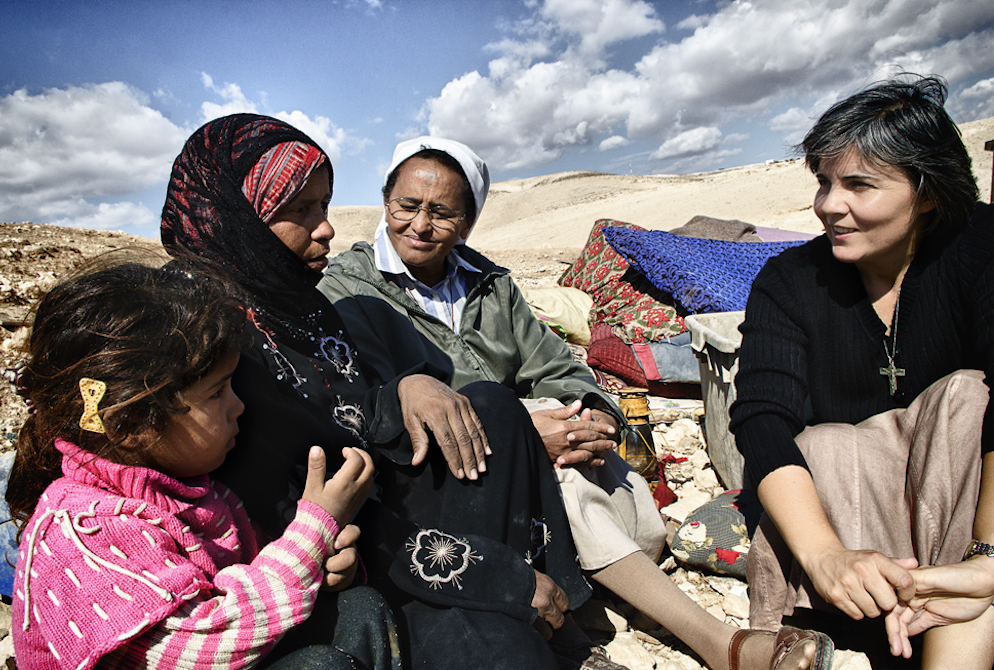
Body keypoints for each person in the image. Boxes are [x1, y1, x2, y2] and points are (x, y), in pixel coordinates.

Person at [318, 136, 833, 670]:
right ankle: (718, 643)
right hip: (443, 474)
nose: (419, 225)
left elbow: (558, 365)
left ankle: (592, 581)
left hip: (540, 438)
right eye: (407, 205)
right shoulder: (350, 291)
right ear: (385, 201)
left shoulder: (488, 283)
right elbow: (372, 409)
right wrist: (520, 433)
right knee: (566, 486)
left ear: (467, 222)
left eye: (441, 213)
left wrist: (591, 416)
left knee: (611, 499)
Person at [160, 114, 591, 669]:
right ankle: (502, 608)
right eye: (300, 212)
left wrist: (407, 388)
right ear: (238, 219)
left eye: (325, 206)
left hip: (373, 495)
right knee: (503, 653)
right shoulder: (206, 339)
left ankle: (553, 611)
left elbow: (348, 408)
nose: (326, 230)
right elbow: (298, 506)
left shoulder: (297, 302)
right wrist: (490, 574)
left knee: (493, 408)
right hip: (332, 555)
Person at [729, 75, 994, 669]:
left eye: (859, 185)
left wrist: (989, 557)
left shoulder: (981, 246)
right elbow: (762, 417)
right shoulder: (790, 281)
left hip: (974, 517)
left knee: (967, 399)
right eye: (824, 182)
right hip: (850, 526)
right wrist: (824, 554)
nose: (829, 204)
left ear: (926, 193)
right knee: (820, 444)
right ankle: (807, 645)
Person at [5, 261, 389, 670]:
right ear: (129, 423)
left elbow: (262, 580)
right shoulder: (83, 533)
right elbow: (203, 651)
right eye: (216, 394)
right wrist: (315, 530)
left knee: (357, 608)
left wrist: (320, 568)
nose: (238, 406)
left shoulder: (195, 492)